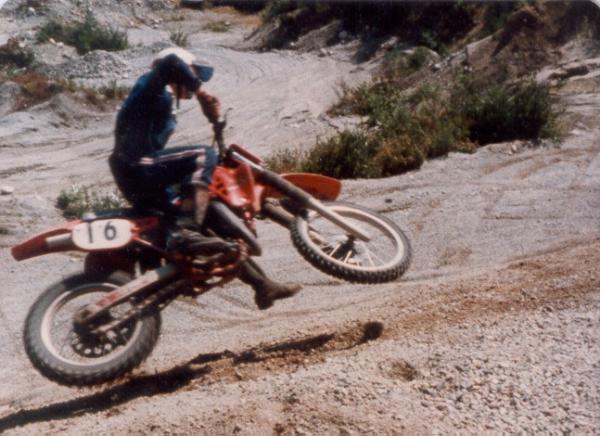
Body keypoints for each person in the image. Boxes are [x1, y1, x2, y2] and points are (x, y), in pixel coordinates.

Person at [109, 47, 300, 309]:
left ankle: (262, 285)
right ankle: (185, 231)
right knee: (203, 155)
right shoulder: (152, 85)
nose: (195, 79)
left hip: (140, 173)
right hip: (134, 163)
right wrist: (201, 92)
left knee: (207, 218)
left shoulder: (162, 100)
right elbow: (169, 62)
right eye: (194, 72)